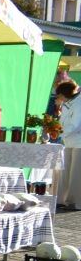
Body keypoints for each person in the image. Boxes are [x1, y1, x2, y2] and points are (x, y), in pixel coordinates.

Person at [54, 79, 81, 208]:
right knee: (65, 172)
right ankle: (62, 199)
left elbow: (75, 125)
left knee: (76, 173)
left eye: (59, 95)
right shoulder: (67, 103)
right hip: (68, 141)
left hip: (79, 142)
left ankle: (75, 202)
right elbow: (62, 122)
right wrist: (55, 129)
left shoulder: (79, 102)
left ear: (65, 94)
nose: (58, 98)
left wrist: (58, 134)